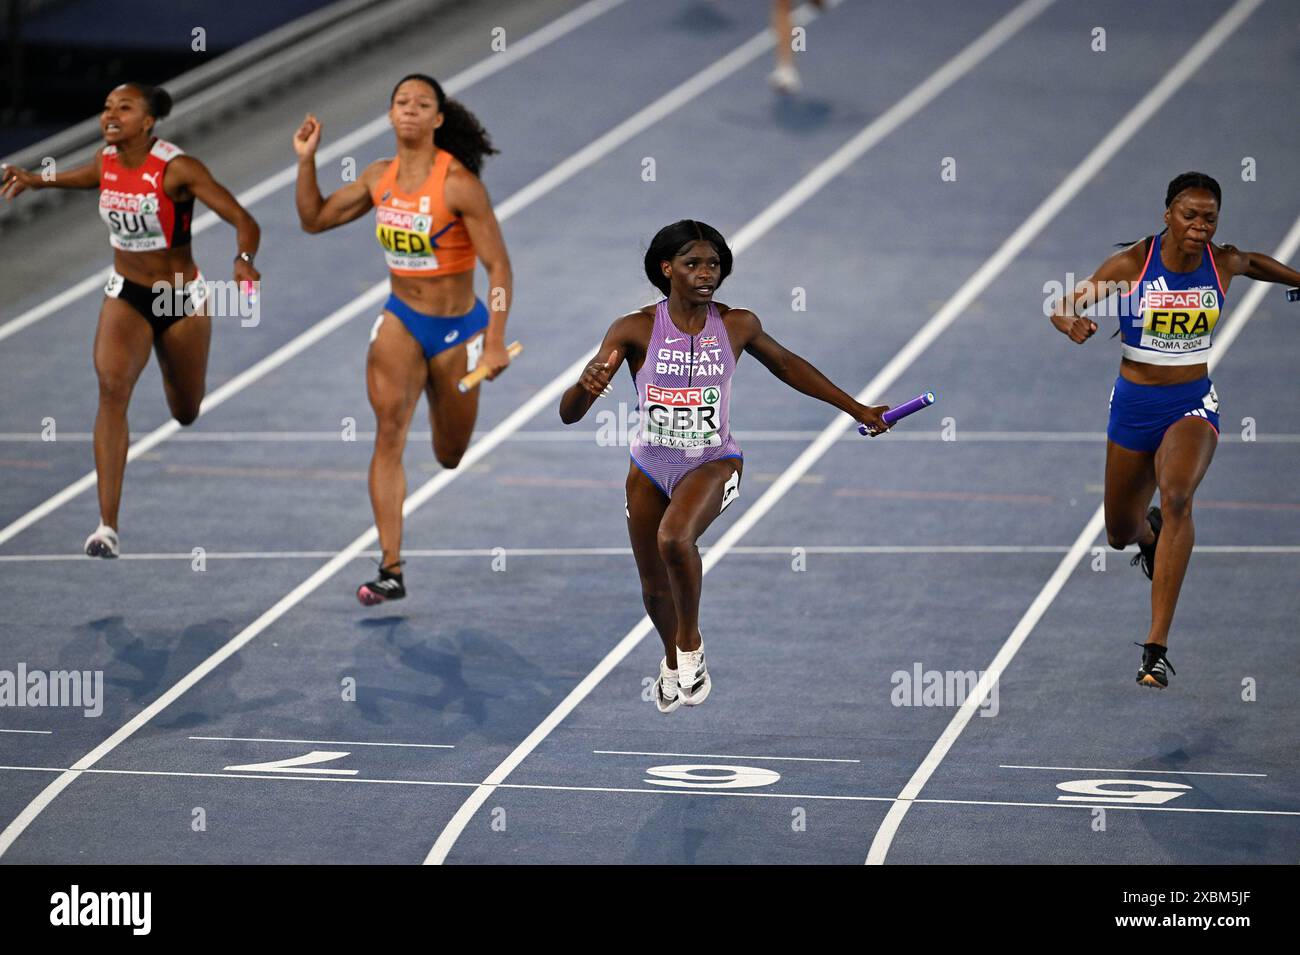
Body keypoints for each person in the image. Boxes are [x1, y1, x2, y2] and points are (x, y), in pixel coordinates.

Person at [560, 220, 891, 710]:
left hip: (714, 461)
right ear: (666, 268)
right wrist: (582, 387)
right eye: (693, 264)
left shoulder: (737, 325)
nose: (705, 273)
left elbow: (787, 365)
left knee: (674, 539)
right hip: (649, 466)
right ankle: (670, 659)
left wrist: (858, 408)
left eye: (713, 264)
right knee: (653, 586)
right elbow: (569, 414)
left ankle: (691, 647)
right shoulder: (634, 329)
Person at [1050, 171, 1300, 688]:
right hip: (1134, 406)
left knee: (1179, 494)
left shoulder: (1221, 263)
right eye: (1190, 215)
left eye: (1209, 217)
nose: (1200, 226)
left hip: (1191, 404)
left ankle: (1156, 648)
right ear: (1167, 214)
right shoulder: (1131, 265)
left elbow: (1254, 262)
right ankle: (1150, 532)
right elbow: (1067, 303)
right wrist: (1069, 321)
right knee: (1119, 532)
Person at [1, 82, 261, 558]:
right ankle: (107, 527)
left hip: (177, 299)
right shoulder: (107, 160)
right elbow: (93, 177)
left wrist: (242, 258)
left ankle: (176, 385)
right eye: (106, 108)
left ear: (148, 122)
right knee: (111, 388)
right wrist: (40, 180)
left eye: (124, 108)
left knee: (185, 409)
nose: (110, 115)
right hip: (127, 295)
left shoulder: (178, 168)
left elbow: (244, 219)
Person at [294, 73, 513, 605]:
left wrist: (495, 340)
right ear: (391, 116)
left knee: (450, 453)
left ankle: (445, 430)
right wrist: (305, 161)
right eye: (401, 102)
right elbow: (314, 219)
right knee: (388, 433)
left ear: (438, 119)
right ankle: (390, 567)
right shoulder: (377, 178)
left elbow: (499, 266)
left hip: (458, 330)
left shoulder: (459, 184)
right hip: (401, 320)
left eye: (422, 104)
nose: (410, 109)